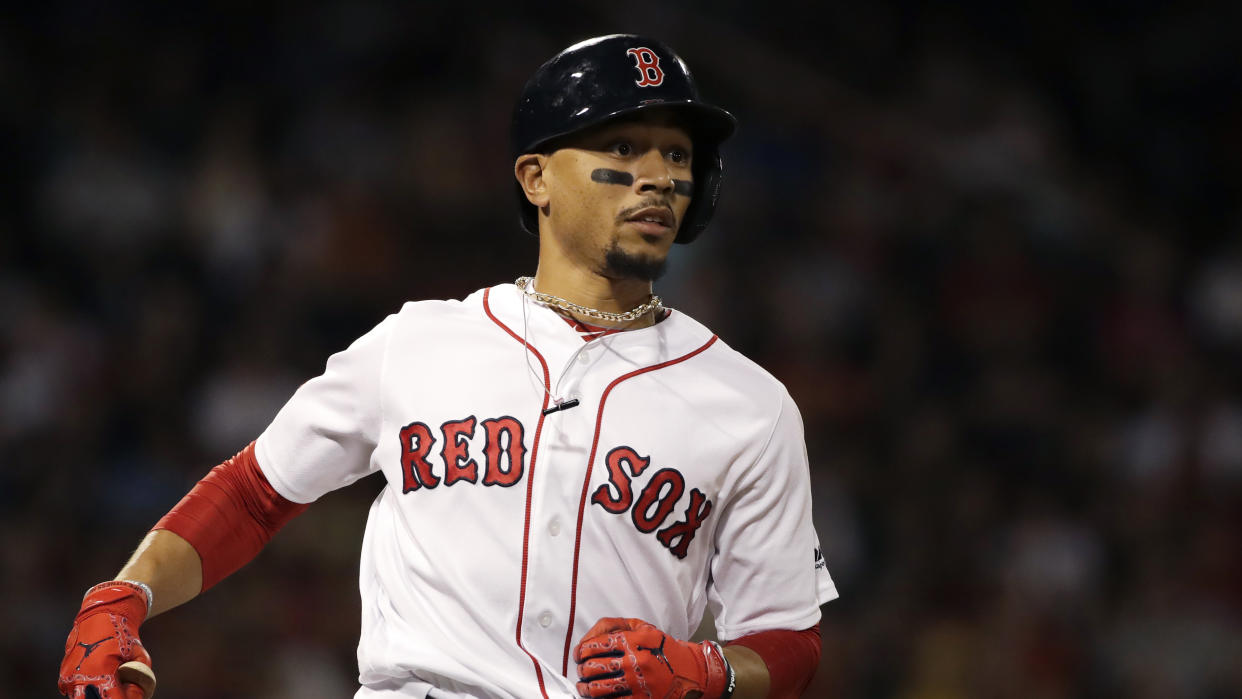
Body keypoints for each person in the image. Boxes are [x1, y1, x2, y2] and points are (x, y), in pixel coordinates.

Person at [58, 34, 837, 699]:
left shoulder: (749, 403)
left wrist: (710, 670)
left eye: (676, 153)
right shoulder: (419, 342)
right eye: (621, 146)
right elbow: (254, 491)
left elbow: (789, 638)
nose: (658, 175)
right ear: (536, 179)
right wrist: (124, 594)